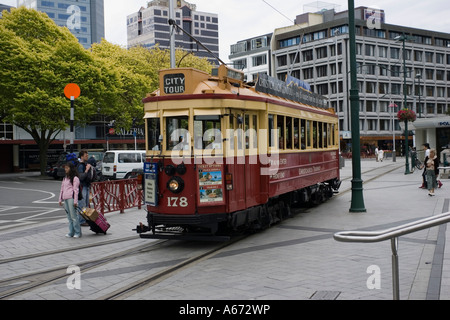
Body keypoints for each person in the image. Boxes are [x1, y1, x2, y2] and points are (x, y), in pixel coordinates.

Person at [59, 162, 82, 238]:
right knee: (69, 217)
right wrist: (60, 199)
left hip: (71, 198)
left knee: (73, 216)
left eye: (67, 168)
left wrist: (75, 201)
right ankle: (71, 232)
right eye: (65, 168)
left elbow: (76, 190)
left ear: (71, 168)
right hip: (65, 198)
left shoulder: (75, 178)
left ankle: (77, 232)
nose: (65, 169)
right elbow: (62, 189)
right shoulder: (65, 178)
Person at [77, 150, 93, 226]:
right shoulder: (80, 166)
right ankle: (81, 221)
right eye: (86, 155)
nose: (87, 156)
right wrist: (87, 170)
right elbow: (81, 177)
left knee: (86, 204)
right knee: (82, 204)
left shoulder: (85, 164)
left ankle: (85, 220)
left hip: (86, 186)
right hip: (82, 186)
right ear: (82, 156)